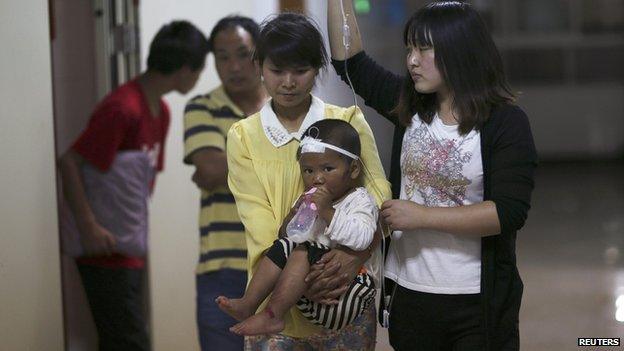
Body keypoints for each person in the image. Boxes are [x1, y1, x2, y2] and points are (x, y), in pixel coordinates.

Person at [327, 1, 538, 350]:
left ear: (460, 51)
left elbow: (507, 212)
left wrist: (421, 216)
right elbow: (349, 62)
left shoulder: (505, 122)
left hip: (477, 301)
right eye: (410, 48)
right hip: (409, 293)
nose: (411, 60)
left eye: (424, 49)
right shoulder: (409, 107)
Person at [226, 12, 391, 350]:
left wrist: (351, 258)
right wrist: (301, 278)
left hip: (341, 293)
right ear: (259, 66)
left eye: (300, 70)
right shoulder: (243, 136)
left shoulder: (346, 122)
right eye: (277, 70)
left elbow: (379, 199)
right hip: (275, 301)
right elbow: (259, 224)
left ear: (317, 69)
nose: (288, 82)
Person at [59, 21, 209, 351]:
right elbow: (70, 162)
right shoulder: (121, 108)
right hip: (102, 248)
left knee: (122, 338)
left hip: (129, 245)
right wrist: (89, 227)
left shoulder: (162, 111)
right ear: (185, 70)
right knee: (128, 340)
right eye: (199, 70)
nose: (198, 78)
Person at [217, 119, 378, 336]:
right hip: (306, 294)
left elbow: (364, 238)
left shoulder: (360, 200)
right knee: (287, 245)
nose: (317, 178)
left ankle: (273, 316)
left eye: (328, 168)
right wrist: (293, 216)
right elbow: (288, 237)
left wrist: (328, 212)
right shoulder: (307, 200)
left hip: (345, 293)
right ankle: (249, 303)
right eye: (308, 170)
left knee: (302, 251)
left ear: (353, 169)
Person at [182, 15, 268, 351]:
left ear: (260, 55)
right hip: (222, 268)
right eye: (221, 56)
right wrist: (274, 162)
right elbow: (209, 167)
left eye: (242, 53)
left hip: (280, 265)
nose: (233, 66)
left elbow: (218, 170)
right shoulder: (202, 106)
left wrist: (225, 165)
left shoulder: (284, 107)